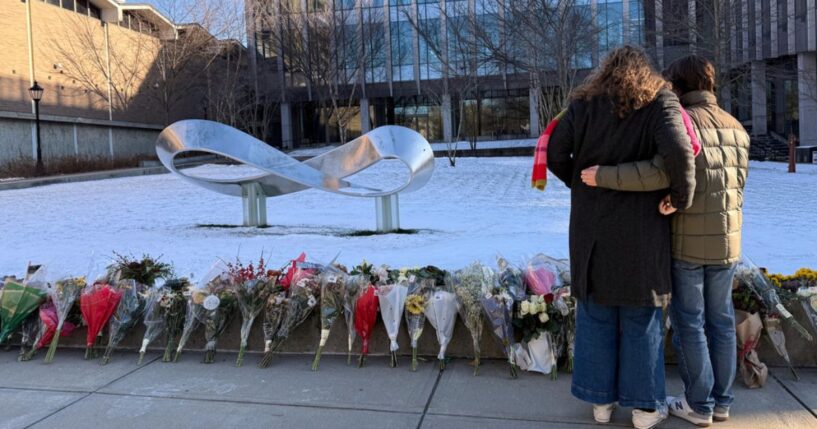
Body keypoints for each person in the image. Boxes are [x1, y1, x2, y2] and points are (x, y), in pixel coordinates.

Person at [580, 55, 750, 427]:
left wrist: (604, 176)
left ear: (678, 84)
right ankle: (722, 401)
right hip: (728, 243)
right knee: (721, 322)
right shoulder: (737, 127)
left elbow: (659, 171)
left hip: (687, 241)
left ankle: (699, 405)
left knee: (690, 323)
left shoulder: (681, 120)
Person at [547, 45, 696, 429]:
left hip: (592, 228)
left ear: (604, 71)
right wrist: (679, 198)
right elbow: (680, 152)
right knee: (641, 315)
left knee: (596, 313)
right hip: (641, 228)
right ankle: (645, 409)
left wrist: (582, 186)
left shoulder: (584, 103)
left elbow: (555, 153)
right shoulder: (659, 101)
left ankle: (601, 404)